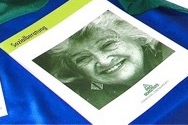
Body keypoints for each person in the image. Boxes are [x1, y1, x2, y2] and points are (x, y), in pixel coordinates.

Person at [34, 10, 173, 109]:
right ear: (76, 71)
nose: (103, 61)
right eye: (82, 58)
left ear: (136, 37)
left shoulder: (171, 50)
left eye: (108, 44)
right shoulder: (87, 105)